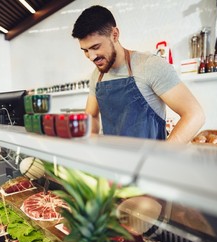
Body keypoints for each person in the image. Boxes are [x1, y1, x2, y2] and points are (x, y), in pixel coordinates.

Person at [71, 5, 205, 143]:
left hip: (149, 162)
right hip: (113, 160)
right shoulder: (97, 76)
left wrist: (164, 155)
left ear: (115, 35)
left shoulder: (150, 66)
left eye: (95, 47)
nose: (91, 57)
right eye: (85, 50)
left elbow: (194, 114)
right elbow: (91, 116)